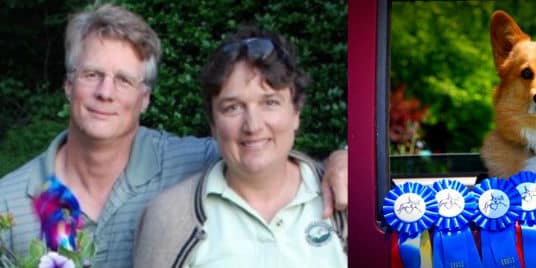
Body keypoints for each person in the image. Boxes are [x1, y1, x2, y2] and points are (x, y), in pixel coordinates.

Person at [0, 4, 347, 267]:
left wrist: (343, 160)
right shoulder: (9, 203)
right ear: (68, 84)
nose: (105, 92)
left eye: (124, 80)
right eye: (92, 74)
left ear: (146, 97)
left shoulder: (189, 161)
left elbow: (260, 152)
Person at [132, 26, 347, 267]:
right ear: (213, 123)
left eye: (270, 103)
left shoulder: (345, 197)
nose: (253, 126)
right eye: (232, 107)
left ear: (296, 112)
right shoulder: (169, 218)